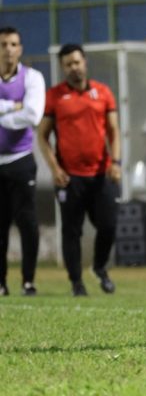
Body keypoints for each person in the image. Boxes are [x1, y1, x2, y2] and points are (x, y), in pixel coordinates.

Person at [38, 43, 121, 297]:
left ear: (85, 62)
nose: (74, 67)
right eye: (68, 64)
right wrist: (54, 169)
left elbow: (113, 130)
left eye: (77, 62)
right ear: (63, 68)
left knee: (108, 225)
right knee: (71, 231)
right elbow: (42, 136)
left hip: (101, 174)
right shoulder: (55, 96)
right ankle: (76, 282)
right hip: (69, 178)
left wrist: (116, 163)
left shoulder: (103, 92)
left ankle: (99, 267)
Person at [0, 27, 45, 296]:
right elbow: (22, 111)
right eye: (3, 44)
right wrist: (12, 106)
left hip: (21, 159)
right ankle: (1, 282)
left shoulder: (33, 77)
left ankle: (28, 280)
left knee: (27, 223)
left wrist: (3, 113)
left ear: (20, 49)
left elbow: (33, 115)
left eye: (13, 44)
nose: (8, 49)